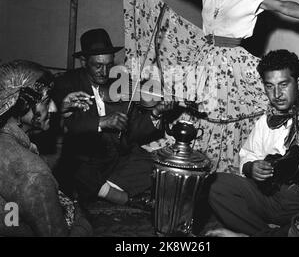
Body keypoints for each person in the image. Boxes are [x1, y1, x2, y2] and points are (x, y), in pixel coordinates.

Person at [126, 0, 299, 174]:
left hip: (231, 64)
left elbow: (284, 6)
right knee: (195, 109)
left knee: (225, 113)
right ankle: (185, 160)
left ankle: (219, 165)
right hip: (204, 59)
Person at [207, 50, 299, 237]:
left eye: (283, 84)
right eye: (269, 86)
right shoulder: (266, 120)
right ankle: (270, 233)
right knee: (217, 185)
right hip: (271, 194)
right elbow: (248, 155)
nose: (276, 94)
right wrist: (252, 168)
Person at [52, 28, 176, 208]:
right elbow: (65, 126)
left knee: (151, 162)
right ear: (83, 61)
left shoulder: (120, 85)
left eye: (109, 65)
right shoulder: (66, 83)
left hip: (114, 158)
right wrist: (102, 122)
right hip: (85, 157)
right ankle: (116, 195)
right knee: (72, 166)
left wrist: (155, 113)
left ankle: (102, 190)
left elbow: (133, 132)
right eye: (98, 65)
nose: (104, 72)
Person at [0, 60, 93, 237]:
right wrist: (82, 223)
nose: (53, 107)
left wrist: (59, 116)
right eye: (47, 101)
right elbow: (34, 176)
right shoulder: (34, 175)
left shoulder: (7, 137)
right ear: (23, 105)